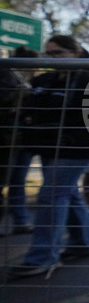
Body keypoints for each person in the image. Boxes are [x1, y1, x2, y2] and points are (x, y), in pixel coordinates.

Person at [8, 35, 89, 278]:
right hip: (48, 147)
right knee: (66, 193)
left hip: (76, 149)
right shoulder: (46, 79)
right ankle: (84, 242)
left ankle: (42, 256)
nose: (52, 58)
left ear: (75, 53)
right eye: (48, 53)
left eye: (58, 52)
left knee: (51, 195)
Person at [1, 46, 38, 236]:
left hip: (23, 139)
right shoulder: (5, 76)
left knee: (18, 180)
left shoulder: (29, 81)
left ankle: (21, 220)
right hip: (6, 139)